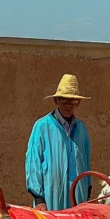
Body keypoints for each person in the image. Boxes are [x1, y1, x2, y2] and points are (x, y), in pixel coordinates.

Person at [25, 73, 92, 210]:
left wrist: (87, 191)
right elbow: (33, 162)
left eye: (73, 101)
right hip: (51, 196)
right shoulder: (42, 126)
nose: (69, 106)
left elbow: (86, 162)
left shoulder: (82, 129)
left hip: (78, 196)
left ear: (78, 102)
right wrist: (39, 199)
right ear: (56, 100)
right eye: (64, 101)